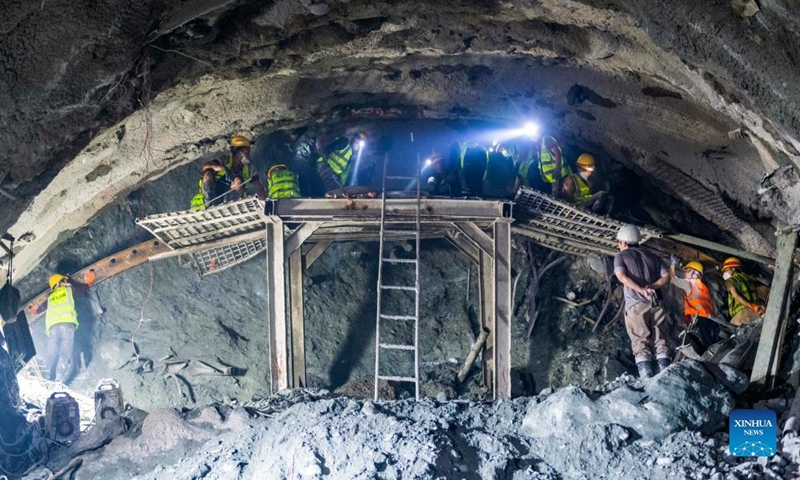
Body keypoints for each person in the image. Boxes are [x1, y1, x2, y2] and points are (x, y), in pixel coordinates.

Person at [613, 224, 671, 379]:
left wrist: (640, 289)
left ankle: (647, 378)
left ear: (624, 243)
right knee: (660, 339)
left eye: (619, 242)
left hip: (636, 304)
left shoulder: (621, 256)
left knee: (640, 340)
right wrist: (651, 287)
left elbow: (621, 276)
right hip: (656, 303)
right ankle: (665, 374)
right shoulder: (653, 256)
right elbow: (667, 277)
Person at [28, 272, 95, 382]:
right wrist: (87, 283)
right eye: (64, 281)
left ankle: (46, 379)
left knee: (51, 353)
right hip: (67, 326)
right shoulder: (68, 290)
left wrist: (34, 309)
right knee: (64, 354)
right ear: (59, 283)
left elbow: (38, 310)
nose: (66, 282)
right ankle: (59, 380)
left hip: (53, 328)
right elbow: (81, 289)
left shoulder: (51, 298)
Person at [190, 135, 266, 210]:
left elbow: (259, 188)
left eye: (248, 151)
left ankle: (226, 208)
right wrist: (223, 168)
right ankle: (210, 205)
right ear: (237, 151)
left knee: (238, 181)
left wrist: (265, 202)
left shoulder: (249, 168)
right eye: (245, 151)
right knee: (207, 173)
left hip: (230, 200)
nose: (248, 154)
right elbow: (206, 166)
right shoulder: (226, 160)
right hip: (214, 194)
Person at [669, 258, 721, 355]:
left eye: (686, 271)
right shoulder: (702, 285)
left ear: (693, 273)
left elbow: (673, 279)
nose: (684, 274)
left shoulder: (689, 283)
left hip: (700, 318)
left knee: (705, 344)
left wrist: (672, 264)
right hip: (711, 318)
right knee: (713, 341)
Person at [721, 257, 765, 326]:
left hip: (742, 314)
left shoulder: (730, 281)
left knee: (735, 333)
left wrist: (751, 306)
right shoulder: (748, 278)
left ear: (733, 268)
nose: (724, 273)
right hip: (755, 312)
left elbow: (736, 295)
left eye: (726, 270)